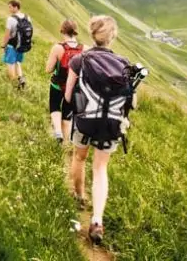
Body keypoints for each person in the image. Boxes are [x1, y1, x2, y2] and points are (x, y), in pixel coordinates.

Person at [64, 15, 120, 245]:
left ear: (92, 34)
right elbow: (132, 103)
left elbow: (68, 96)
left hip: (85, 120)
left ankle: (79, 195)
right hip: (110, 125)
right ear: (112, 37)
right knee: (100, 168)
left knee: (79, 157)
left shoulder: (80, 60)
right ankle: (97, 220)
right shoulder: (123, 64)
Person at [44, 19, 84, 144]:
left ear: (62, 30)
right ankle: (66, 142)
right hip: (74, 88)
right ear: (75, 31)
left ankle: (57, 132)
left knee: (55, 107)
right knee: (67, 114)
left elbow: (48, 69)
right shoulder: (85, 49)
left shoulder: (58, 48)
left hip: (58, 85)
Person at [1, 0, 28, 90]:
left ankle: (13, 85)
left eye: (10, 7)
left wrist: (3, 45)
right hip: (22, 46)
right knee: (17, 62)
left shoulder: (11, 19)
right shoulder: (27, 17)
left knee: (10, 64)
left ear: (16, 7)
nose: (9, 9)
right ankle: (21, 78)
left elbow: (7, 34)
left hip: (12, 45)